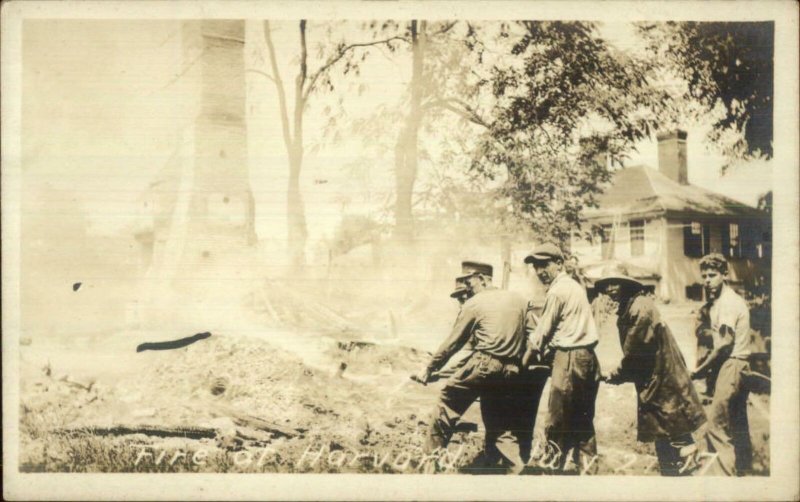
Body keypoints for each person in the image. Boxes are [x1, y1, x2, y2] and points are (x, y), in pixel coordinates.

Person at [415, 261, 529, 472]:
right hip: (510, 372)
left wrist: (429, 368)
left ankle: (428, 468)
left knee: (446, 407)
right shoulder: (519, 300)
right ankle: (518, 473)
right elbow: (533, 334)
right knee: (501, 425)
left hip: (484, 364)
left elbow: (453, 343)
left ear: (484, 279)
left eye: (470, 283)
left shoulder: (474, 304)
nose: (468, 288)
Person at [596, 267, 707, 476]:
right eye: (606, 284)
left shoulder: (640, 308)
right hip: (656, 380)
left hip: (664, 382)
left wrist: (616, 374)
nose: (610, 288)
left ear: (626, 283)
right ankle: (671, 478)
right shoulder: (631, 306)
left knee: (677, 440)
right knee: (664, 437)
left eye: (615, 283)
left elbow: (635, 353)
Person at [522, 243, 601, 474]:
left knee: (557, 419)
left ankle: (551, 472)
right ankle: (589, 474)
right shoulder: (574, 286)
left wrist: (524, 362)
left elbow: (542, 333)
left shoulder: (558, 291)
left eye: (544, 264)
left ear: (559, 264)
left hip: (569, 358)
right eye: (536, 266)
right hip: (587, 358)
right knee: (582, 419)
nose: (539, 271)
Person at [691, 253, 753, 476]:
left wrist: (699, 370)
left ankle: (725, 479)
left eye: (713, 275)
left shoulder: (727, 302)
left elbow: (725, 345)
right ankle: (744, 472)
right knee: (737, 423)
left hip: (733, 364)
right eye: (705, 276)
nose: (707, 280)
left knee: (716, 426)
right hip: (739, 365)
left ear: (724, 275)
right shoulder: (720, 301)